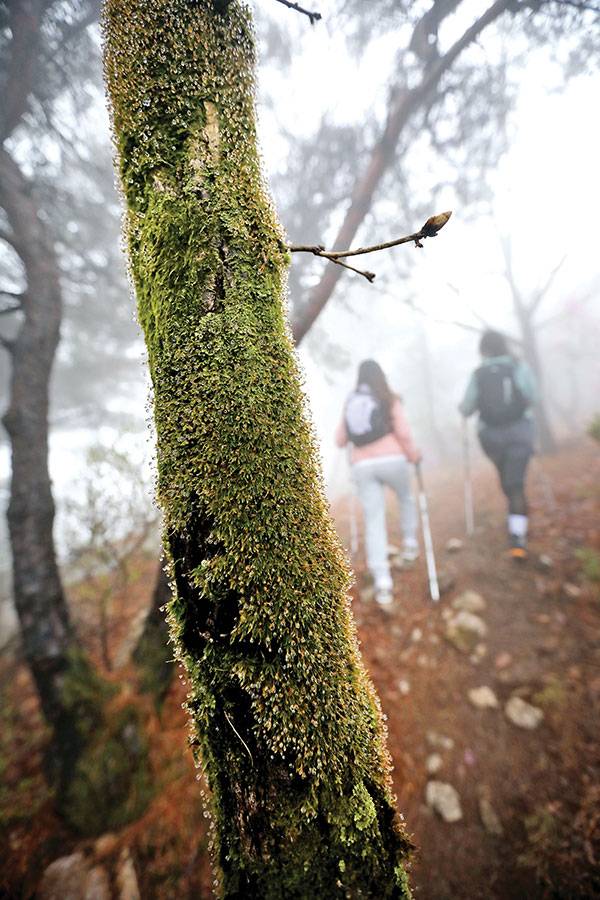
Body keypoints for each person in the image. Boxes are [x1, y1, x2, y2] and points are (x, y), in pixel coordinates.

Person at [336, 359, 420, 606]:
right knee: (405, 497)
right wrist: (413, 455)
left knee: (374, 519)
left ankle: (383, 583)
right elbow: (403, 432)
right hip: (393, 459)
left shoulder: (351, 400)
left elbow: (340, 439)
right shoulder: (388, 397)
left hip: (362, 465)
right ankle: (410, 545)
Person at [459, 329, 536, 560]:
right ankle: (518, 531)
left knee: (509, 482)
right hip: (520, 433)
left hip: (491, 438)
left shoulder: (478, 373)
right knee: (515, 484)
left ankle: (517, 532)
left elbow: (467, 408)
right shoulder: (517, 366)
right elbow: (532, 395)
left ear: (483, 350)